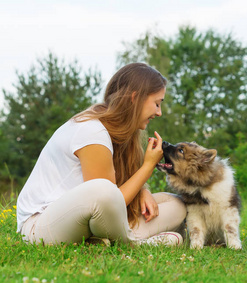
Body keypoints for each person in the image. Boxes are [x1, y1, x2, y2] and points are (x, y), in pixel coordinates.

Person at [16, 63, 187, 246]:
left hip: (83, 219)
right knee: (103, 191)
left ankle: (99, 242)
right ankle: (134, 244)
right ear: (135, 98)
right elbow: (108, 200)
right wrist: (147, 167)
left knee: (177, 204)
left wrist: (142, 189)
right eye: (157, 103)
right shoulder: (92, 131)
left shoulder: (116, 130)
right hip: (40, 226)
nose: (159, 112)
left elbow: (111, 198)